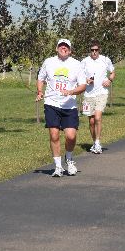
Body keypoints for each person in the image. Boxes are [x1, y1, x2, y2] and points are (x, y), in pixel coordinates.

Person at [36, 38, 87, 177]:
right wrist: (40, 91)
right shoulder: (48, 62)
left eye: (66, 47)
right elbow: (40, 78)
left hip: (69, 105)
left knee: (71, 136)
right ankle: (58, 166)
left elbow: (83, 85)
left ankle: (69, 158)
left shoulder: (76, 64)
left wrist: (71, 91)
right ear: (56, 48)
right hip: (51, 103)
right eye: (61, 46)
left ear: (70, 50)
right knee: (54, 134)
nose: (63, 48)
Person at [81, 40, 116, 154]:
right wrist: (86, 80)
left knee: (97, 117)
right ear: (90, 51)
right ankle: (94, 142)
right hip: (88, 94)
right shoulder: (85, 62)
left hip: (102, 93)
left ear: (99, 50)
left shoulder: (105, 60)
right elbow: (79, 76)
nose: (94, 52)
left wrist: (109, 80)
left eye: (96, 50)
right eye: (92, 50)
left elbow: (112, 72)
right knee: (91, 121)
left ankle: (97, 142)